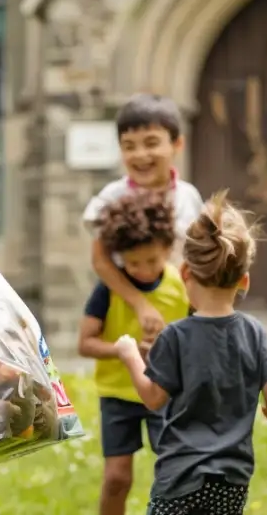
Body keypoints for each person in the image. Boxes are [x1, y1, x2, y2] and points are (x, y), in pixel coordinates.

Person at [114, 191, 267, 515]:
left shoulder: (175, 336)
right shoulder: (254, 332)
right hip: (232, 480)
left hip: (181, 478)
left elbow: (153, 398)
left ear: (185, 273)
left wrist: (130, 356)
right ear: (244, 280)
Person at [77, 190, 193, 515]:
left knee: (175, 471)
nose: (143, 270)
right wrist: (123, 351)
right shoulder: (108, 291)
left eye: (152, 261)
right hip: (118, 395)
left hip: (164, 393)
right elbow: (85, 343)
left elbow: (194, 337)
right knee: (117, 478)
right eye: (133, 263)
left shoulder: (181, 287)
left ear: (168, 249)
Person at [82, 94, 205, 348]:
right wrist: (140, 304)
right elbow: (100, 261)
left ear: (177, 144)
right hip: (126, 307)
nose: (140, 155)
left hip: (180, 307)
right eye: (129, 146)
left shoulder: (188, 197)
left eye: (151, 143)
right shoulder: (112, 198)